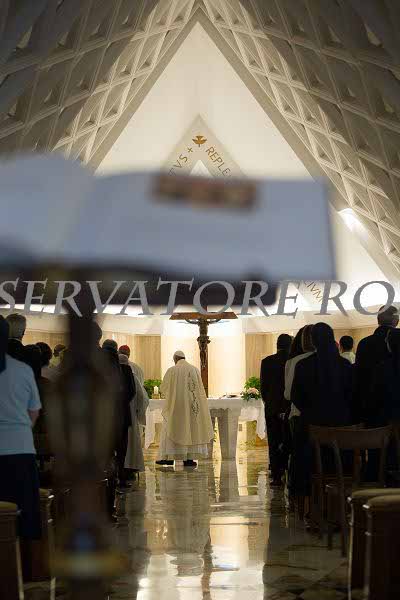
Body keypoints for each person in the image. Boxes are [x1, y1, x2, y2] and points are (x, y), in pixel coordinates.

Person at [0, 316, 42, 540]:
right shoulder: (23, 368)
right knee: (24, 511)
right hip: (20, 447)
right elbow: (34, 411)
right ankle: (24, 555)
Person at [156, 351, 213, 467]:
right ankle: (189, 459)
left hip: (176, 406)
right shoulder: (195, 370)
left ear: (175, 359)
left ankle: (169, 458)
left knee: (172, 428)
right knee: (190, 429)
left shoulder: (172, 370)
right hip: (191, 406)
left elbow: (163, 388)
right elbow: (200, 390)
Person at [292, 323, 353, 427]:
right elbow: (351, 393)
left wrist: (310, 411)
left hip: (311, 423)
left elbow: (296, 396)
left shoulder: (303, 365)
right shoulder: (345, 364)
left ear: (313, 341)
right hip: (340, 422)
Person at [355, 305, 399, 424]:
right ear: (396, 321)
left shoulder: (364, 344)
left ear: (378, 320)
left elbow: (359, 377)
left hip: (371, 409)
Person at [102, 339, 136, 489]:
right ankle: (121, 478)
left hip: (103, 417)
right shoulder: (124, 368)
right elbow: (132, 391)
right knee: (121, 450)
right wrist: (121, 404)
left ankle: (105, 481)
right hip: (121, 416)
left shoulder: (98, 368)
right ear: (116, 350)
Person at [260, 333, 292, 485]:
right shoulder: (293, 361)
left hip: (272, 407)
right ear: (290, 345)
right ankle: (288, 470)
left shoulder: (267, 361)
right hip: (288, 408)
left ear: (277, 345)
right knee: (288, 440)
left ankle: (276, 475)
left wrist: (269, 402)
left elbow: (263, 388)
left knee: (273, 441)